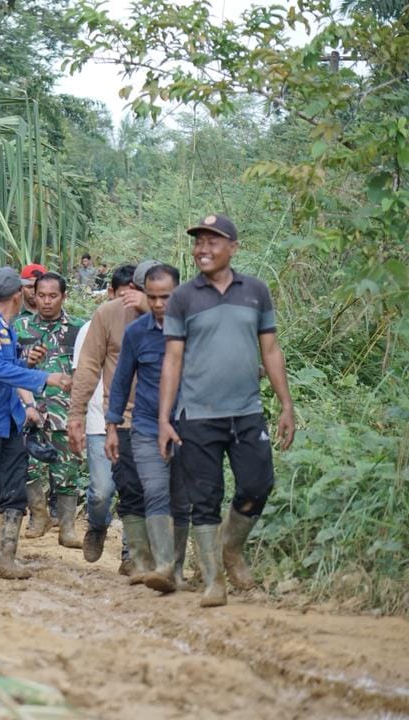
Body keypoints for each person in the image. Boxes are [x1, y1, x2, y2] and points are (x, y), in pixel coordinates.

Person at [158, 214, 296, 608]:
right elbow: (172, 360)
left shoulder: (256, 291)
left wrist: (286, 405)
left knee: (258, 484)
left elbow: (270, 349)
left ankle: (231, 547)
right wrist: (164, 419)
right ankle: (214, 582)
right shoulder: (183, 297)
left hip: (247, 410)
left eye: (212, 241)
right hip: (197, 415)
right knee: (204, 498)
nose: (203, 248)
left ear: (233, 247)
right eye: (198, 241)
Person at [0, 267, 73, 579]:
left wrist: (25, 363)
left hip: (8, 419)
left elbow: (6, 367)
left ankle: (6, 555)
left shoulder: (4, 327)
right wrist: (46, 376)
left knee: (14, 487)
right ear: (19, 296)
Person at [106, 263, 192, 594]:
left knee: (182, 500)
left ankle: (178, 569)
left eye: (165, 297)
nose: (158, 304)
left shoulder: (194, 330)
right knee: (155, 491)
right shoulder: (137, 333)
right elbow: (122, 380)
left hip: (188, 425)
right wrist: (113, 425)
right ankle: (164, 566)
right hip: (144, 425)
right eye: (152, 297)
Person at [68, 262, 153, 578]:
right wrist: (75, 414)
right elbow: (88, 366)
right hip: (104, 419)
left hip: (150, 421)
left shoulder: (173, 316)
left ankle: (133, 555)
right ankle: (98, 524)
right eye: (142, 290)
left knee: (138, 488)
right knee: (102, 490)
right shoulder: (107, 314)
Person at [13, 271, 85, 548]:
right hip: (29, 409)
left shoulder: (79, 329)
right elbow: (8, 370)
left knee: (67, 468)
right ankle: (38, 516)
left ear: (63, 297)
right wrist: (27, 362)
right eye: (41, 295)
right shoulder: (20, 328)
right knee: (26, 465)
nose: (46, 301)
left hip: (65, 411)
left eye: (52, 296)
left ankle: (67, 527)